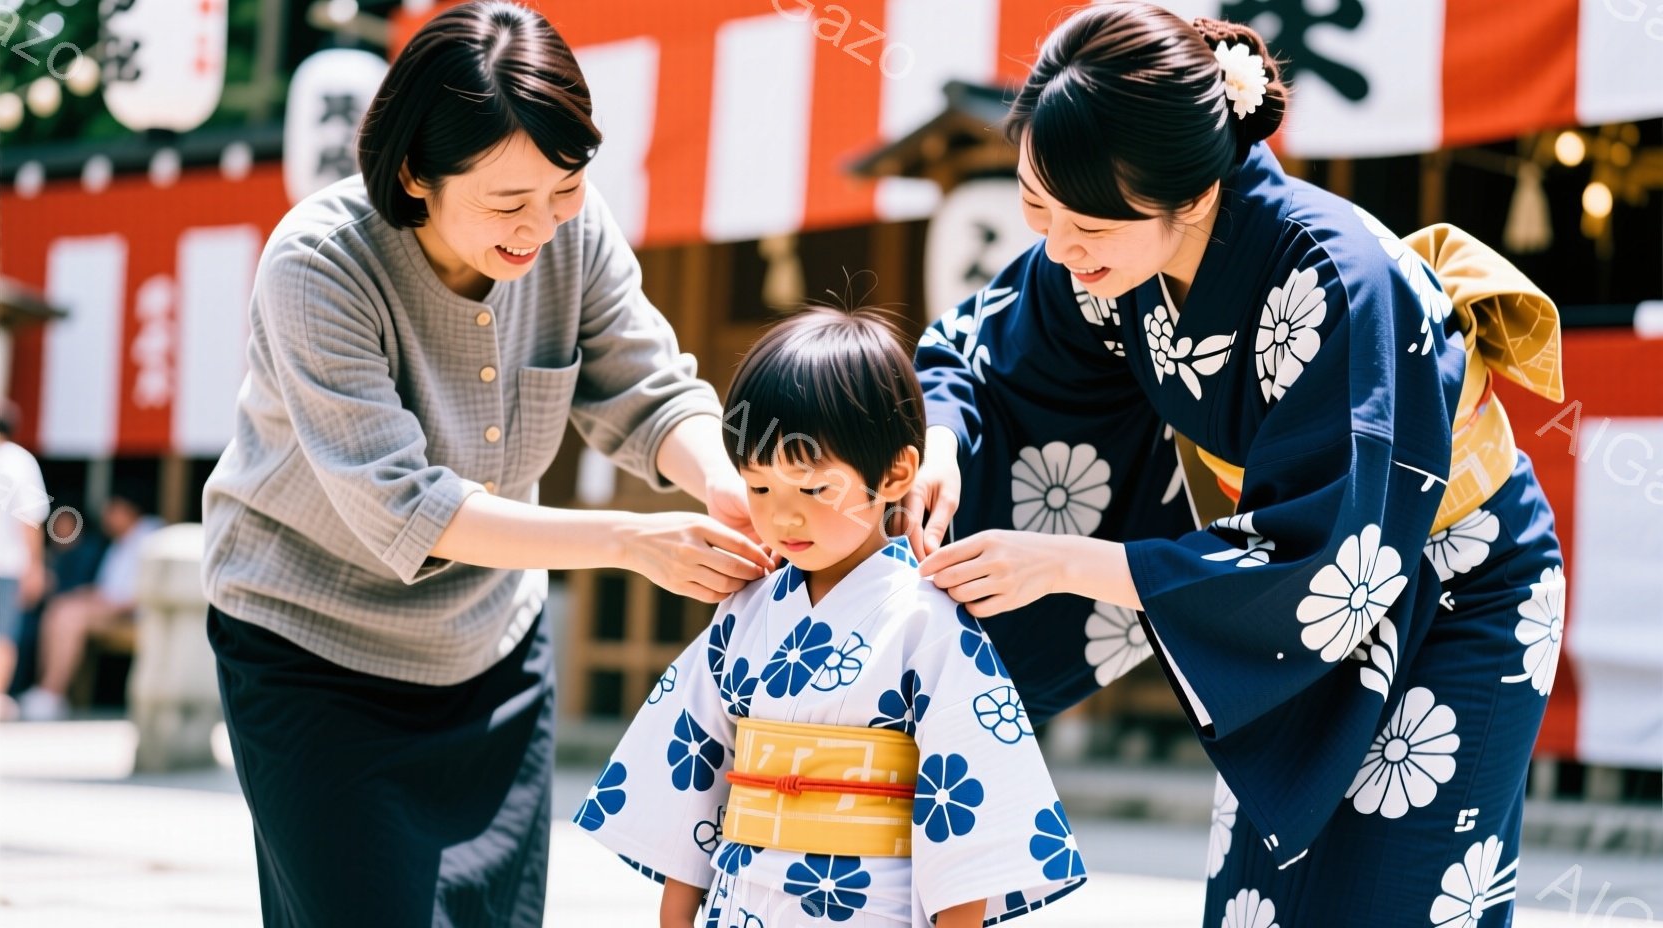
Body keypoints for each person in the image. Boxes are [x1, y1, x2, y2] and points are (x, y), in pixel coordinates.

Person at [905, 4, 1566, 925]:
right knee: (1264, 902)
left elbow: (1330, 561)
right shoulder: (1108, 252)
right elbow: (980, 358)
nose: (1057, 247)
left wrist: (1055, 562)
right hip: (1295, 586)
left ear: (1197, 195)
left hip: (1452, 581)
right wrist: (941, 444)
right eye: (1034, 209)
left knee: (1402, 897)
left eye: (1086, 223)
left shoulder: (1334, 275)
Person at [199, 3, 772, 925]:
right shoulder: (316, 265)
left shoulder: (570, 231)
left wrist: (724, 484)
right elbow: (406, 505)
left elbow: (648, 386)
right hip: (309, 650)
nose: (541, 226)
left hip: (490, 648)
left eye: (566, 189)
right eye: (508, 203)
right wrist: (632, 540)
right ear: (416, 173)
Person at [574, 307, 1087, 928]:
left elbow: (966, 807)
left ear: (896, 473)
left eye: (812, 490)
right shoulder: (745, 607)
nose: (783, 518)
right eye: (760, 490)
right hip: (743, 901)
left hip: (871, 905)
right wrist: (677, 916)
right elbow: (694, 762)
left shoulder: (929, 619)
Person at [19, 484, 162, 721]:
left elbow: (136, 594)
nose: (107, 517)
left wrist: (93, 602)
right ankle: (46, 692)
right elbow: (107, 588)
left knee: (69, 615)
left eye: (112, 510)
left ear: (128, 510)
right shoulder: (120, 542)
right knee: (60, 607)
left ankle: (52, 692)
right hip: (112, 606)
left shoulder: (150, 534)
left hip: (134, 612)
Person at [0, 401, 49, 721]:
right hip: (9, 563)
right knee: (3, 635)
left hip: (8, 563)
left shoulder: (16, 461)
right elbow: (31, 519)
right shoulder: (19, 461)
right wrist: (36, 566)